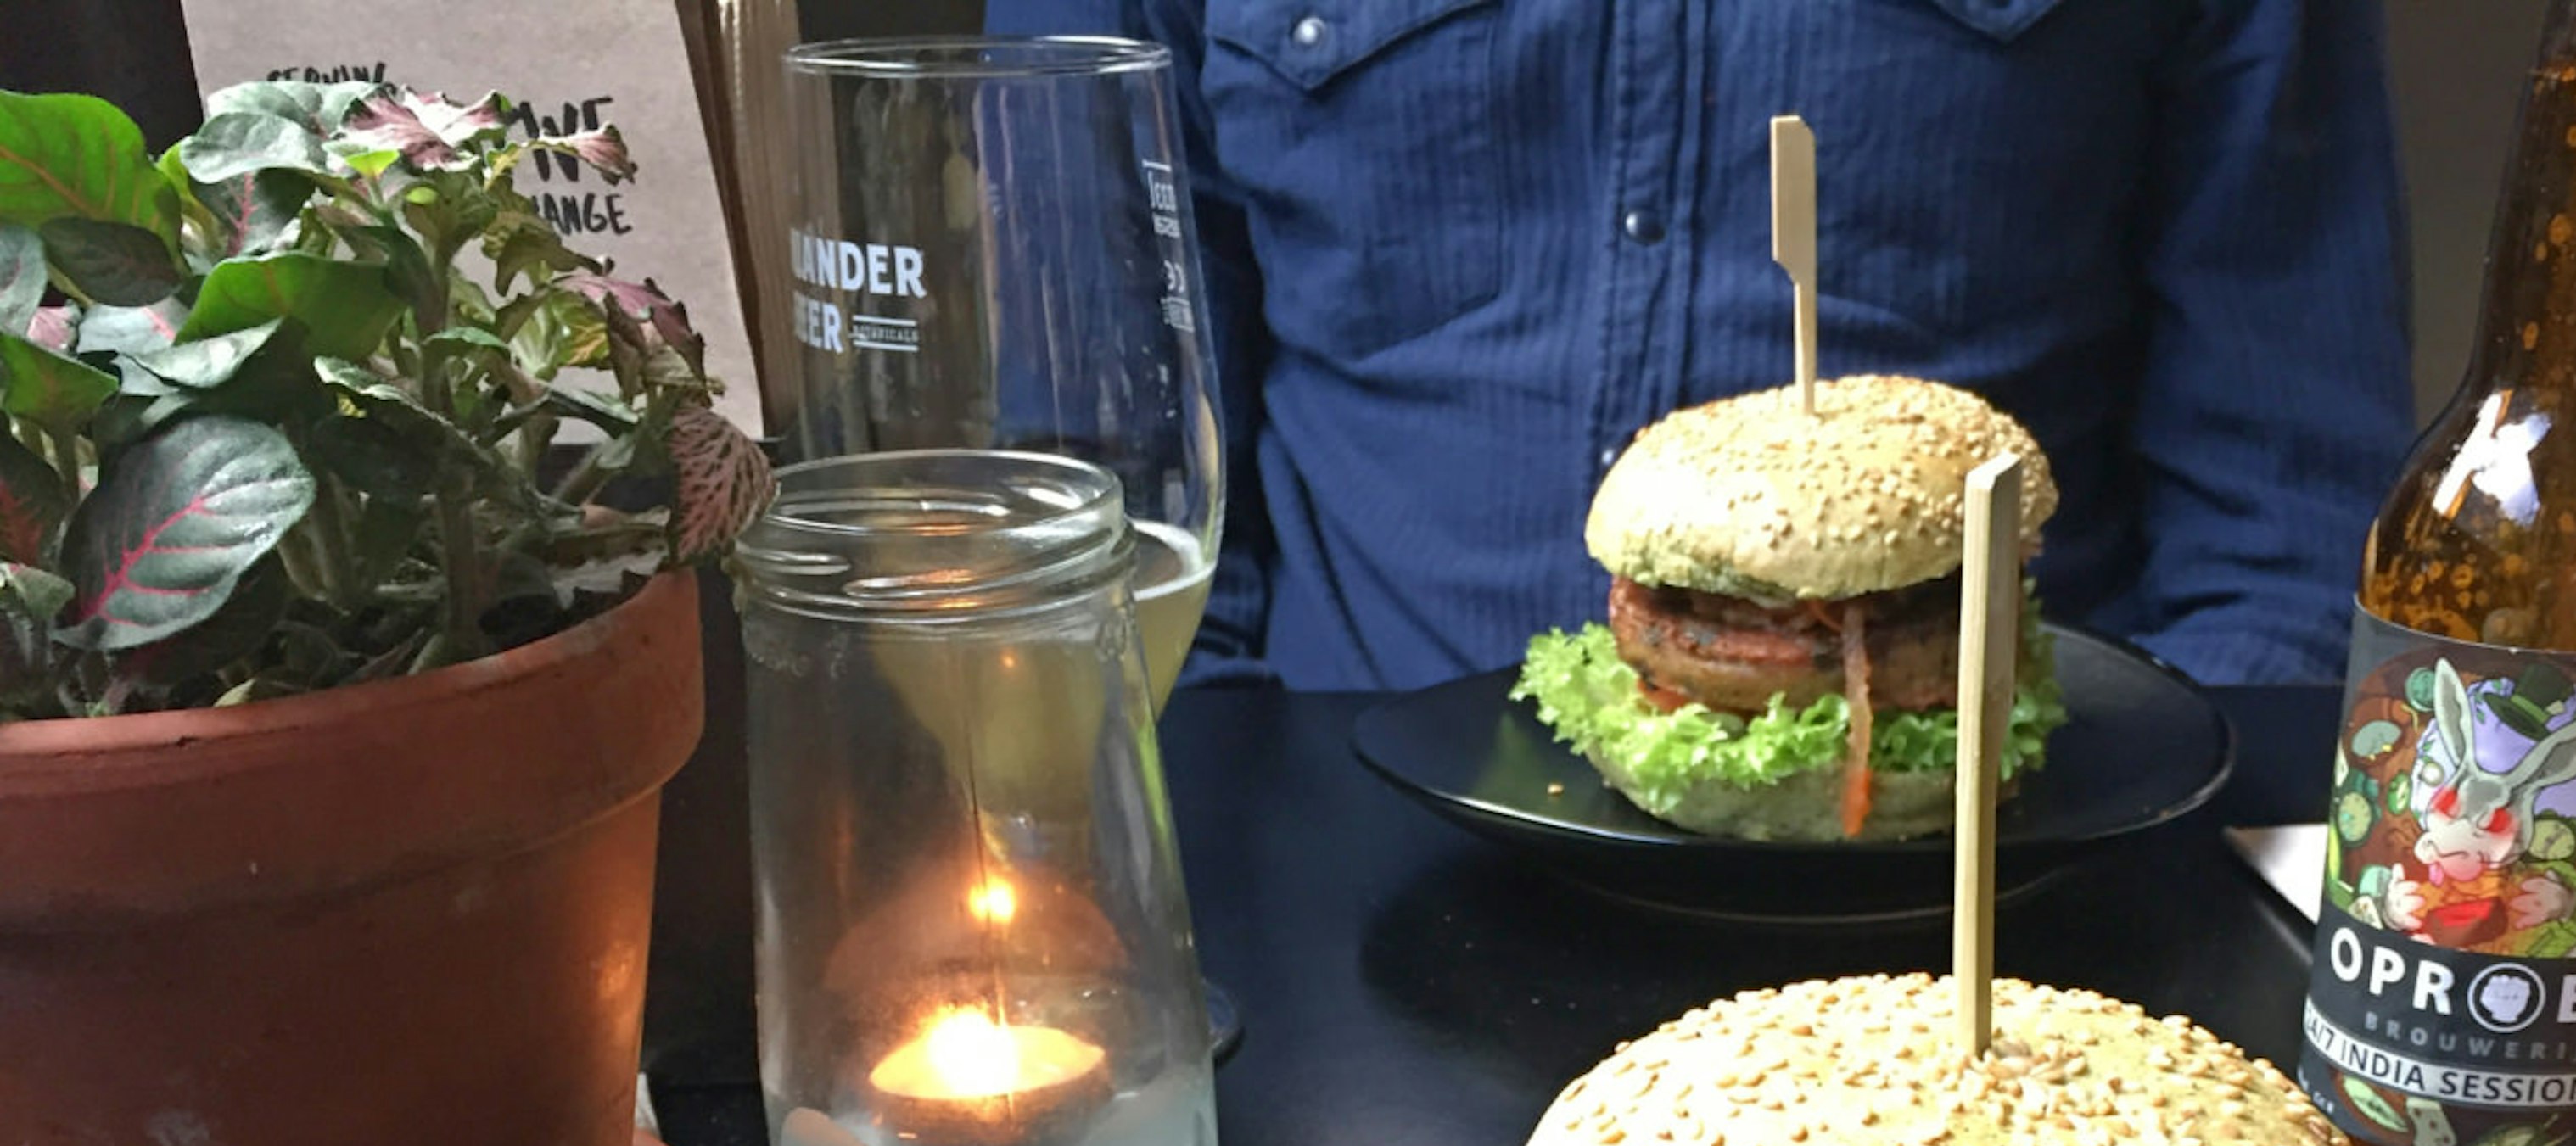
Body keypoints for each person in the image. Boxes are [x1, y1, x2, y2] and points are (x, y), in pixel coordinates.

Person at [988, 0, 2413, 694]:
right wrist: (1226, 868)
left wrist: (2130, 860)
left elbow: (2285, 513)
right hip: (1342, 902)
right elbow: (1104, 488)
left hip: (1993, 921)